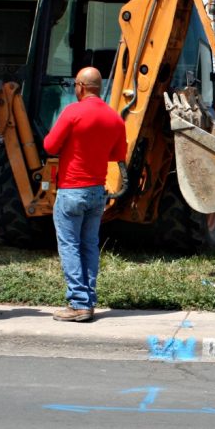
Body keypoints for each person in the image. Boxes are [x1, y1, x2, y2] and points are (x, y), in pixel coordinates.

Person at [43, 67, 127, 322]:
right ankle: (87, 299)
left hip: (71, 190)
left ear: (80, 86)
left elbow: (49, 146)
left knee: (70, 246)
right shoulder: (114, 117)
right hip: (96, 192)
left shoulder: (73, 112)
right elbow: (117, 155)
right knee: (89, 245)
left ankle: (78, 303)